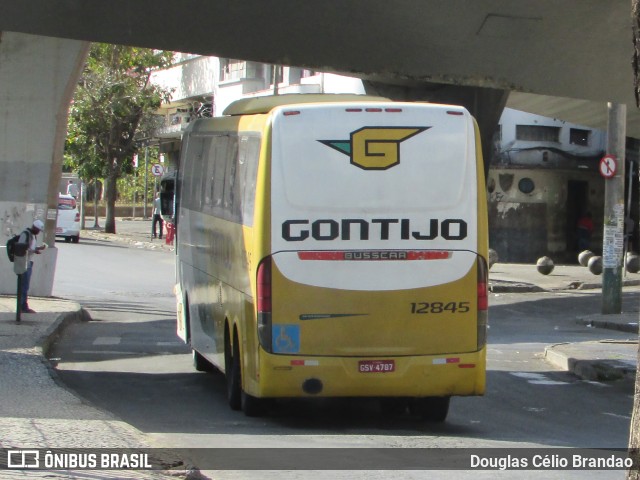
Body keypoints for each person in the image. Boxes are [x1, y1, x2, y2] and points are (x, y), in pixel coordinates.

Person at [15, 220, 46, 314]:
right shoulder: (26, 234)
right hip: (24, 262)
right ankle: (22, 307)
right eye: (38, 230)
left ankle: (23, 305)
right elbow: (21, 247)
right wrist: (34, 251)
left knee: (25, 286)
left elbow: (30, 248)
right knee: (24, 285)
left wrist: (38, 248)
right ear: (34, 227)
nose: (38, 232)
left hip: (29, 262)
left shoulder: (33, 235)